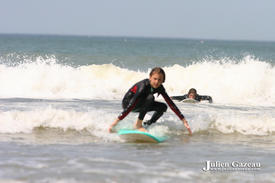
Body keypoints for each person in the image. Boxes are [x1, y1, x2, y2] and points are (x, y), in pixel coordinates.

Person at [108, 67, 192, 135]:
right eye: (155, 79)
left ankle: (148, 124)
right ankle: (138, 125)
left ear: (163, 81)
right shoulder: (143, 86)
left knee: (163, 107)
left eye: (159, 80)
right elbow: (132, 103)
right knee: (150, 98)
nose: (157, 82)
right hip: (128, 104)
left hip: (141, 104)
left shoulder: (160, 88)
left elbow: (171, 103)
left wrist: (183, 120)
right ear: (150, 77)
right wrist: (115, 122)